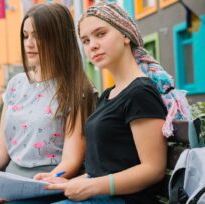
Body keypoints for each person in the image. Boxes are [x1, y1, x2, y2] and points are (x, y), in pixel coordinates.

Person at [0, 3, 96, 204]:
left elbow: (71, 160)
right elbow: (1, 151)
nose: (29, 43)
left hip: (46, 186)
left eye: (38, 35)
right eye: (25, 35)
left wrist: (26, 190)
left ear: (58, 39)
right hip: (7, 182)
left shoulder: (78, 89)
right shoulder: (16, 84)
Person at [44, 2, 191, 204]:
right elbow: (103, 170)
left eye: (100, 34)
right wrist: (60, 183)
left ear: (125, 35)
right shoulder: (108, 95)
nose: (92, 45)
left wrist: (90, 186)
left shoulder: (140, 92)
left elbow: (153, 169)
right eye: (85, 40)